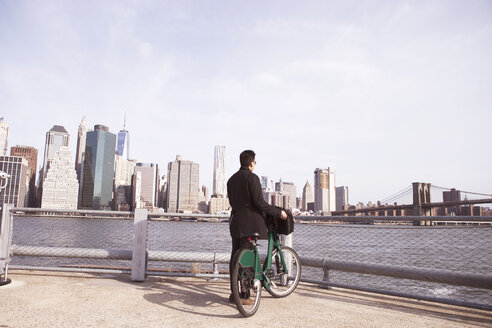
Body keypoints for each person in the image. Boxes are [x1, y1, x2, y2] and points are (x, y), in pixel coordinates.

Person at [227, 150, 287, 304]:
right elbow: (259, 203)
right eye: (255, 162)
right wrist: (278, 212)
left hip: (235, 222)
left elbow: (233, 203)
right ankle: (244, 296)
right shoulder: (252, 178)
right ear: (252, 163)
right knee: (247, 258)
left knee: (235, 258)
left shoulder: (231, 180)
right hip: (250, 223)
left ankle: (234, 294)